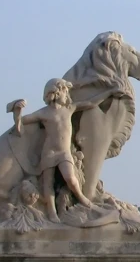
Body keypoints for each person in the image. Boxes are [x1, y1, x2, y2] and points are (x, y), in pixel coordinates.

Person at [15, 78, 125, 223]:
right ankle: (51, 212)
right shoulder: (44, 113)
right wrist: (17, 111)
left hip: (64, 152)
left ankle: (83, 200)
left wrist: (110, 92)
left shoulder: (69, 109)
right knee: (48, 183)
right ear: (55, 93)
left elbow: (91, 103)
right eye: (65, 91)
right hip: (49, 152)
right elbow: (21, 121)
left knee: (71, 179)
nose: (67, 95)